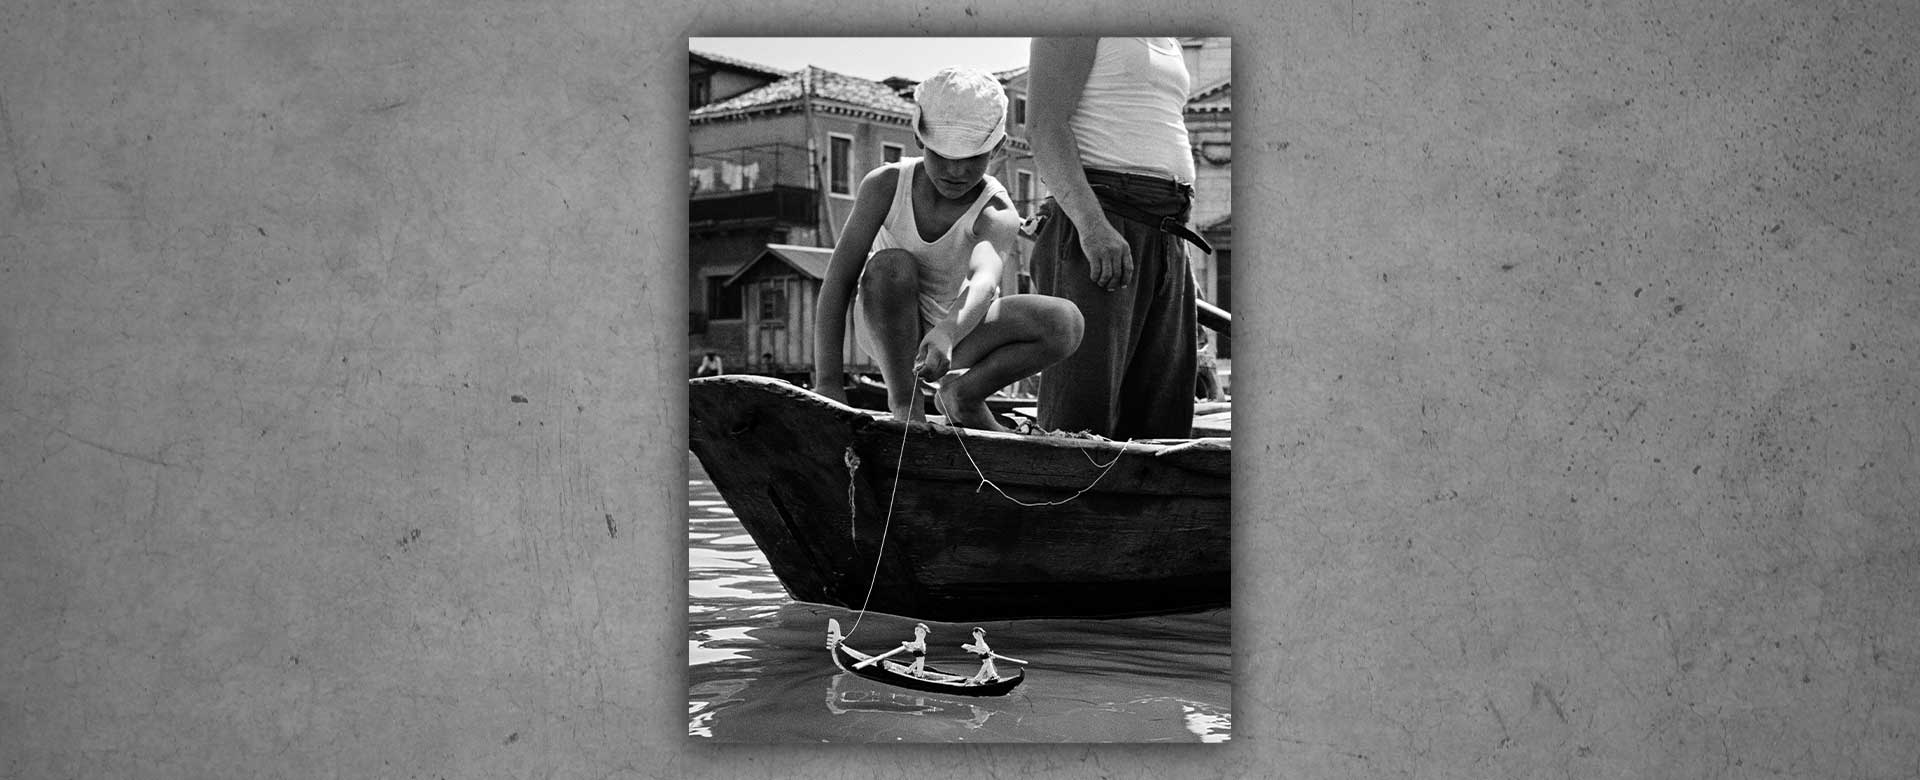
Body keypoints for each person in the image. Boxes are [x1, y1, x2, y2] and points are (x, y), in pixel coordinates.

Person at [813, 67, 1083, 431]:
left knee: (1065, 321)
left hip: (958, 331)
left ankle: (962, 396)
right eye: (943, 156)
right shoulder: (885, 185)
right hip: (887, 325)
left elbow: (983, 281)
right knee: (891, 265)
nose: (956, 171)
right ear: (920, 139)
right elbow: (839, 281)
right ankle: (906, 405)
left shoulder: (997, 211)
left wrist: (947, 335)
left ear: (997, 148)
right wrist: (828, 383)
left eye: (972, 158)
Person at [1026, 37, 1211, 439]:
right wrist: (1092, 226)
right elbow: (1043, 124)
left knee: (1164, 420)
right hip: (1103, 220)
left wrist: (1179, 264)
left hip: (1168, 234)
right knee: (1081, 418)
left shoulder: (1168, 35)